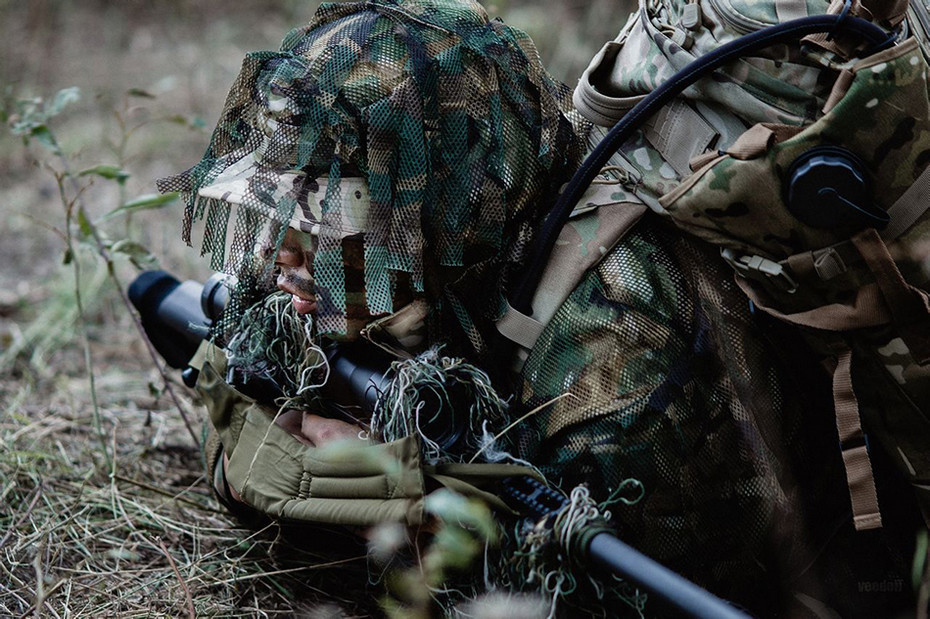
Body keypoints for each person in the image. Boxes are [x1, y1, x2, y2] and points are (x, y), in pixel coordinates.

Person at [158, 0, 924, 616]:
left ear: (430, 215)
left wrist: (399, 511)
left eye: (323, 228)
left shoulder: (614, 350)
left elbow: (623, 593)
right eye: (281, 219)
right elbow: (235, 373)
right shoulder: (387, 273)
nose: (283, 257)